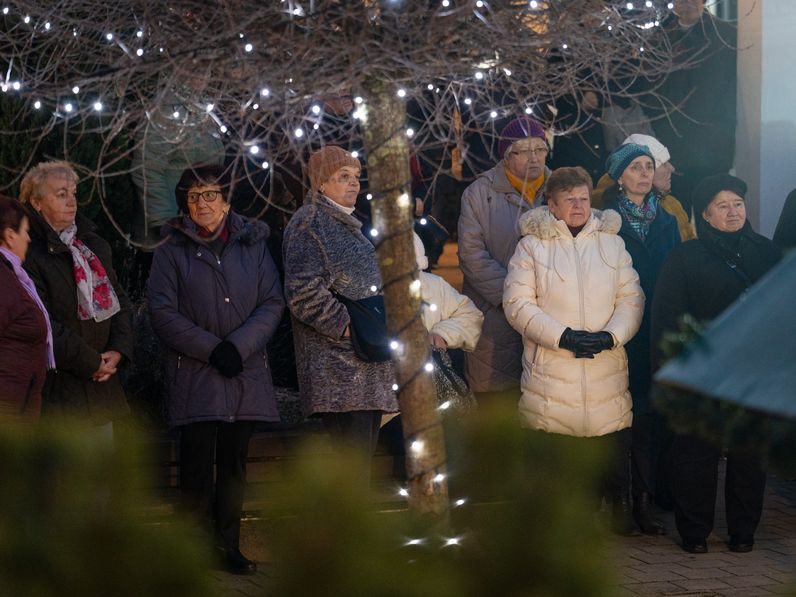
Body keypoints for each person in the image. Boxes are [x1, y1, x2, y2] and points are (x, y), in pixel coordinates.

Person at [147, 164, 284, 575]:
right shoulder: (171, 248)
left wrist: (237, 347)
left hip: (243, 372)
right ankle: (191, 554)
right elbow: (162, 311)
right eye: (193, 196)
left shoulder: (252, 243)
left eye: (209, 194)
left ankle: (229, 547)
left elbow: (272, 301)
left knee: (233, 466)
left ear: (226, 200)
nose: (201, 203)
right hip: (196, 373)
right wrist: (212, 349)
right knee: (195, 466)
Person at [503, 166, 644, 534]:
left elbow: (631, 298)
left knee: (611, 440)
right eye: (569, 200)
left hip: (604, 366)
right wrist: (562, 337)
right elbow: (518, 304)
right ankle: (554, 521)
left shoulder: (611, 243)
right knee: (553, 447)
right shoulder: (532, 246)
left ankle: (618, 512)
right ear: (552, 205)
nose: (579, 206)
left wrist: (611, 336)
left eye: (583, 198)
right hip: (553, 368)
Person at [651, 173, 782, 554]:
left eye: (737, 204)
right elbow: (667, 318)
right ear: (705, 215)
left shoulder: (766, 252)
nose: (733, 212)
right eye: (722, 206)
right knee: (696, 452)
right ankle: (694, 530)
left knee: (749, 453)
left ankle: (743, 530)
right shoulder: (685, 258)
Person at [282, 146, 397, 484]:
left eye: (356, 176)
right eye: (343, 176)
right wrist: (351, 328)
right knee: (351, 476)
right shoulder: (310, 223)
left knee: (358, 471)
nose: (354, 183)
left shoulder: (344, 222)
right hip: (340, 373)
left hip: (363, 368)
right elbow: (303, 293)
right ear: (320, 183)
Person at [599, 143, 683, 535]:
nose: (645, 173)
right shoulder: (605, 220)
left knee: (649, 418)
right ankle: (616, 499)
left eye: (649, 166)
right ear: (620, 177)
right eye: (635, 167)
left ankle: (643, 501)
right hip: (617, 329)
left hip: (655, 328)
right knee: (618, 418)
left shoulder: (666, 220)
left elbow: (677, 271)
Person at [20, 161, 132, 431]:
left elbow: (119, 301)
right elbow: (42, 322)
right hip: (59, 393)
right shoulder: (27, 252)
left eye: (73, 193)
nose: (72, 202)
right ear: (36, 202)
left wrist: (118, 350)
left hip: (103, 386)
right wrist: (91, 363)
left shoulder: (92, 245)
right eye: (61, 194)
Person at [458, 117, 551, 403]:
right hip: (496, 314)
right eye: (525, 151)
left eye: (540, 149)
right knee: (498, 402)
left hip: (550, 313)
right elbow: (472, 255)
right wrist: (514, 297)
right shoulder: (479, 193)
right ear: (507, 155)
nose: (534, 158)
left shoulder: (561, 188)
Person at [646, 0, 737, 216]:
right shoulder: (659, 37)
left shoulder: (725, 34)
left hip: (713, 141)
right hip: (672, 141)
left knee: (714, 210)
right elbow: (648, 87)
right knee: (677, 212)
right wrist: (660, 121)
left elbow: (732, 86)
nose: (687, 4)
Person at [0, 195, 54, 422]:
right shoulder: (3, 280)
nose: (29, 238)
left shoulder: (13, 274)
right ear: (10, 235)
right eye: (25, 231)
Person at [593, 134, 694, 242]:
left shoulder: (671, 209)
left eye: (650, 166)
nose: (672, 168)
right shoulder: (599, 217)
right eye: (663, 163)